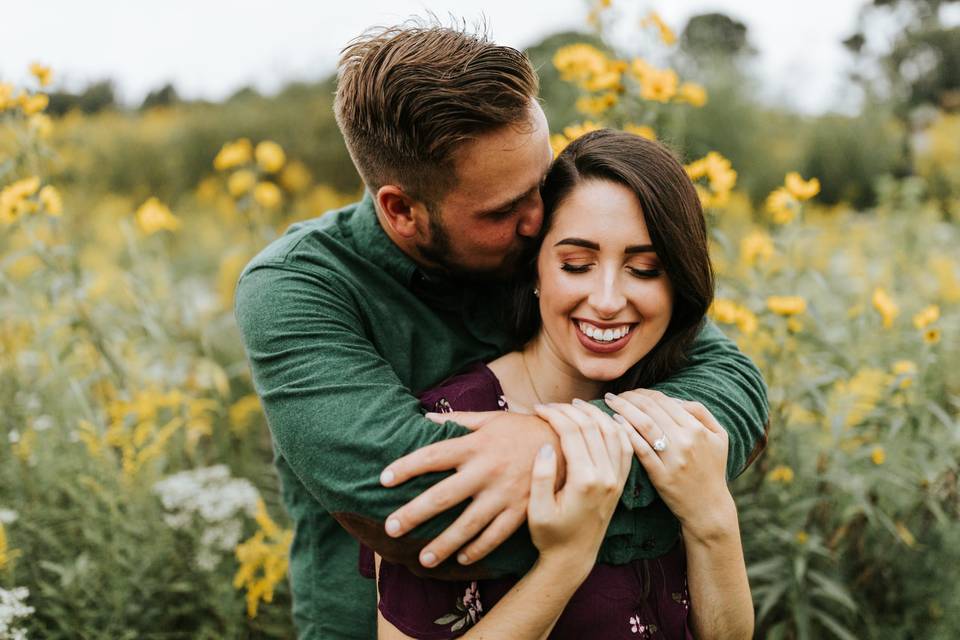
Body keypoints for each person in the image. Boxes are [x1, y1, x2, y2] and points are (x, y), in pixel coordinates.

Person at [234, 21, 768, 640]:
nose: (539, 219)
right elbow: (414, 508)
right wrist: (628, 490)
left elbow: (728, 384)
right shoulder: (298, 288)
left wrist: (549, 441)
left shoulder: (554, 244)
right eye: (502, 211)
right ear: (401, 211)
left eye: (540, 186)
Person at [368, 130, 754, 639]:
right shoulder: (451, 425)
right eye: (577, 265)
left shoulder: (677, 416)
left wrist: (713, 521)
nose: (608, 299)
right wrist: (566, 559)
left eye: (645, 269)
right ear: (536, 269)